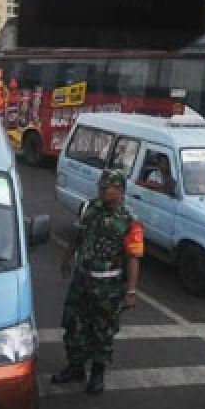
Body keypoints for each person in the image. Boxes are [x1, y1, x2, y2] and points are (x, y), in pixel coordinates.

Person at [53, 168, 144, 395]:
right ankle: (75, 367)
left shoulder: (130, 221)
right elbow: (78, 236)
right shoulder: (91, 208)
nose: (102, 191)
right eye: (101, 187)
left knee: (102, 331)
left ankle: (97, 374)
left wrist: (131, 291)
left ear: (120, 190)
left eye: (107, 188)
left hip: (108, 286)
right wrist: (66, 259)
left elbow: (133, 258)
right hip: (82, 280)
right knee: (73, 324)